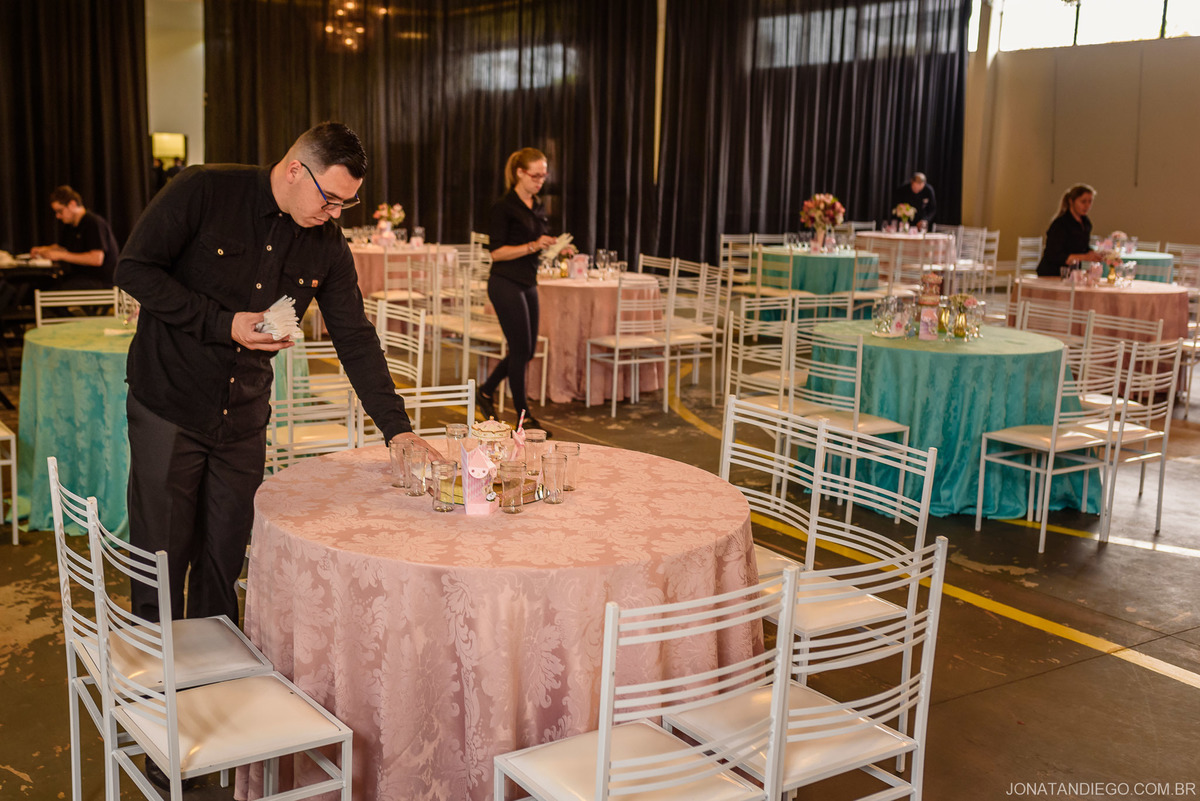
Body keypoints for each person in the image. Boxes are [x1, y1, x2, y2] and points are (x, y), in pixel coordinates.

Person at [116, 122, 437, 629]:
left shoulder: (327, 245)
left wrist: (397, 429)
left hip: (242, 417)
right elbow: (134, 269)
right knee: (160, 560)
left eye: (346, 204)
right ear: (294, 170)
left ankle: (212, 673)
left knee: (224, 560)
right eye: (330, 199)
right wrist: (224, 324)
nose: (335, 214)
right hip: (170, 403)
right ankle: (155, 673)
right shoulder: (204, 189)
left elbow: (355, 337)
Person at [478, 147, 557, 435]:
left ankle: (485, 391)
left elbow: (535, 243)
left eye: (543, 176)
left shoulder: (537, 204)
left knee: (527, 350)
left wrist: (555, 247)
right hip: (505, 282)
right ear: (520, 173)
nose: (540, 181)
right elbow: (497, 253)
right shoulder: (503, 206)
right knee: (520, 349)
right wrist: (534, 245)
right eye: (535, 176)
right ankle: (524, 417)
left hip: (527, 281)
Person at [30, 185, 119, 288]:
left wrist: (61, 255)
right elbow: (62, 247)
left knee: (52, 288)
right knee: (39, 284)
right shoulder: (70, 225)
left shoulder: (93, 223)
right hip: (79, 277)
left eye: (60, 211)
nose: (57, 216)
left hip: (99, 281)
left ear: (72, 204)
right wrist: (42, 250)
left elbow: (96, 259)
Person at [1036, 183, 1103, 277]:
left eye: (1090, 201)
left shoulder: (1086, 222)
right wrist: (1085, 257)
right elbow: (1055, 255)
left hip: (1072, 272)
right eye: (1083, 202)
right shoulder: (1060, 224)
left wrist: (1093, 253)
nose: (1087, 205)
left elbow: (1081, 247)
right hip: (1053, 272)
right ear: (1071, 201)